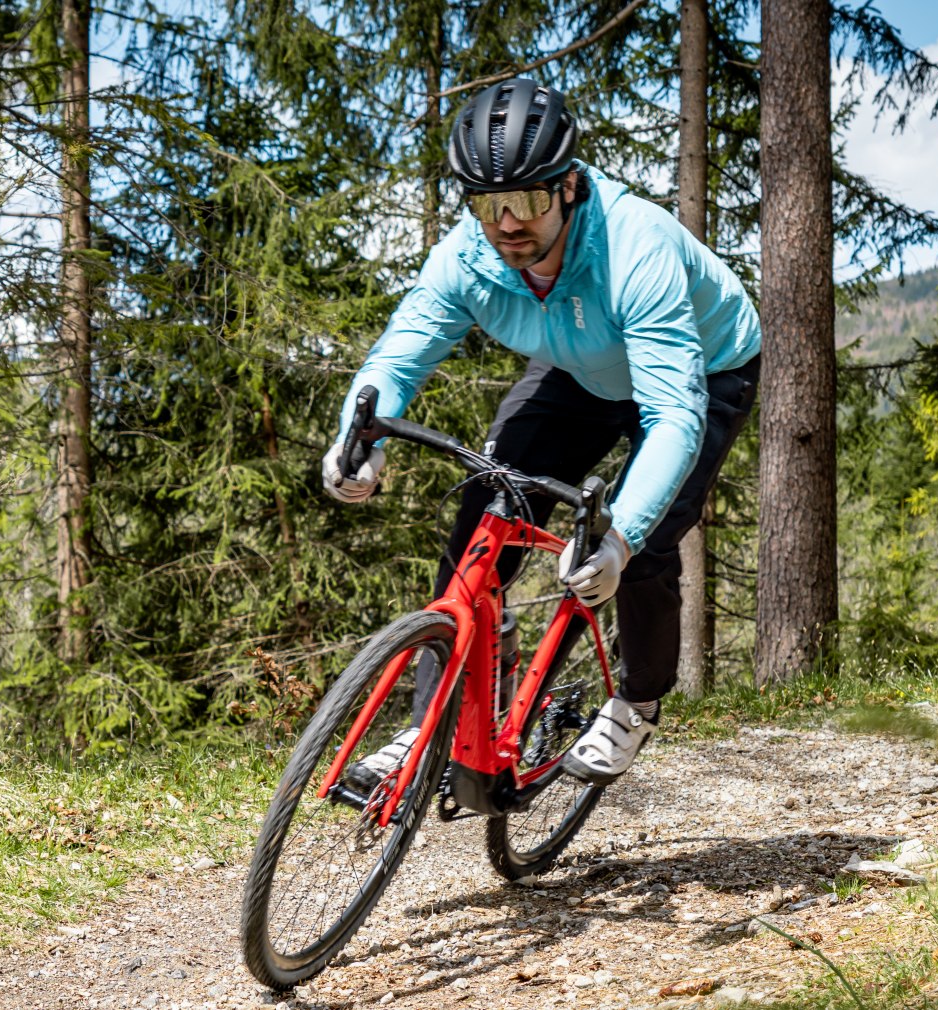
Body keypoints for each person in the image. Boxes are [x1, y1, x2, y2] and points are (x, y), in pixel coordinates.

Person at [322, 78, 761, 787]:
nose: (505, 224)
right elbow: (397, 358)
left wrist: (617, 540)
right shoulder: (466, 256)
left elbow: (674, 417)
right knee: (485, 515)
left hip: (702, 372)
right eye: (486, 205)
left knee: (640, 540)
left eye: (524, 200)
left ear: (569, 187)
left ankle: (638, 699)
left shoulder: (634, 246)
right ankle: (430, 724)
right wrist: (356, 441)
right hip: (579, 369)